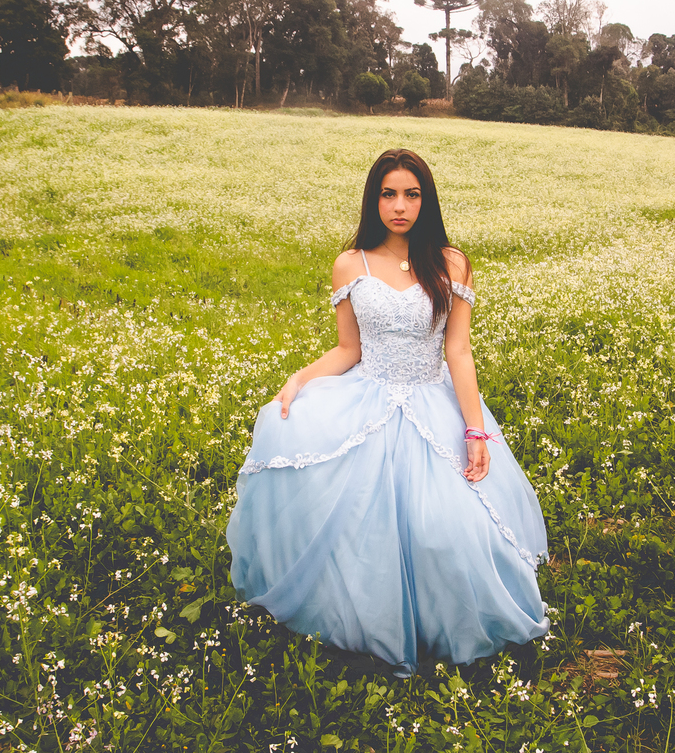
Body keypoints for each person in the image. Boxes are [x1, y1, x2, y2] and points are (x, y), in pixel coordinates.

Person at [226, 149, 548, 676]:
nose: (400, 206)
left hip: (432, 401)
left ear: (426, 200)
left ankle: (446, 617)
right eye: (389, 194)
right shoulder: (350, 263)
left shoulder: (451, 262)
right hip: (366, 400)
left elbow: (458, 351)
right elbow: (348, 349)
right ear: (374, 200)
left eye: (412, 194)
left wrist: (475, 430)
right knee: (355, 523)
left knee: (444, 523)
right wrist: (299, 379)